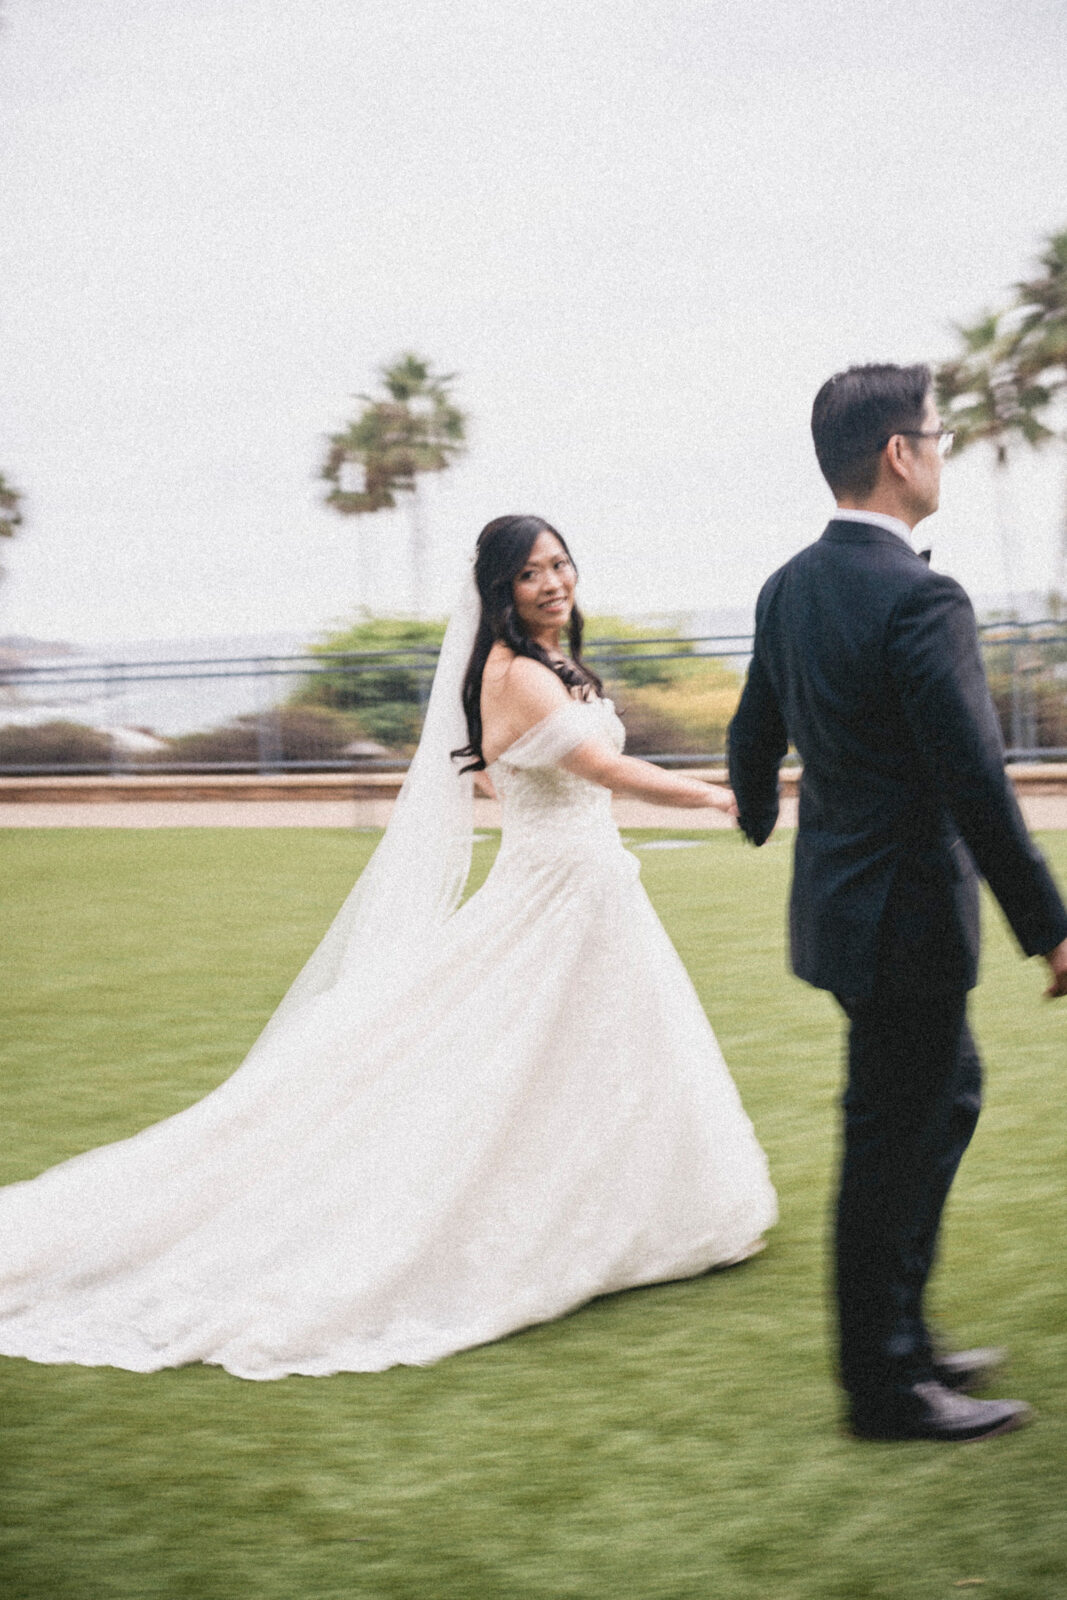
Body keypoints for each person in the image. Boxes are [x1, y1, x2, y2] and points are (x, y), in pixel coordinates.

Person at [0, 513, 776, 1379]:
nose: (553, 582)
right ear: (500, 592)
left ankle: (633, 1216)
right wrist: (712, 797)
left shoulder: (539, 667)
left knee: (598, 1051)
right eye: (530, 574)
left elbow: (495, 769)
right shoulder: (517, 673)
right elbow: (603, 770)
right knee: (522, 1057)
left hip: (581, 881)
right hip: (557, 887)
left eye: (560, 564)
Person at [728, 363, 1067, 1442]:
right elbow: (973, 778)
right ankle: (883, 1386)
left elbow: (751, 733)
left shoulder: (784, 586)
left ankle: (903, 1338)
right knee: (891, 1134)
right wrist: (1050, 928)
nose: (941, 450)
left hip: (840, 913)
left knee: (942, 1097)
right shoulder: (921, 597)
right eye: (936, 433)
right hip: (907, 922)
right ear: (896, 453)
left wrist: (751, 814)